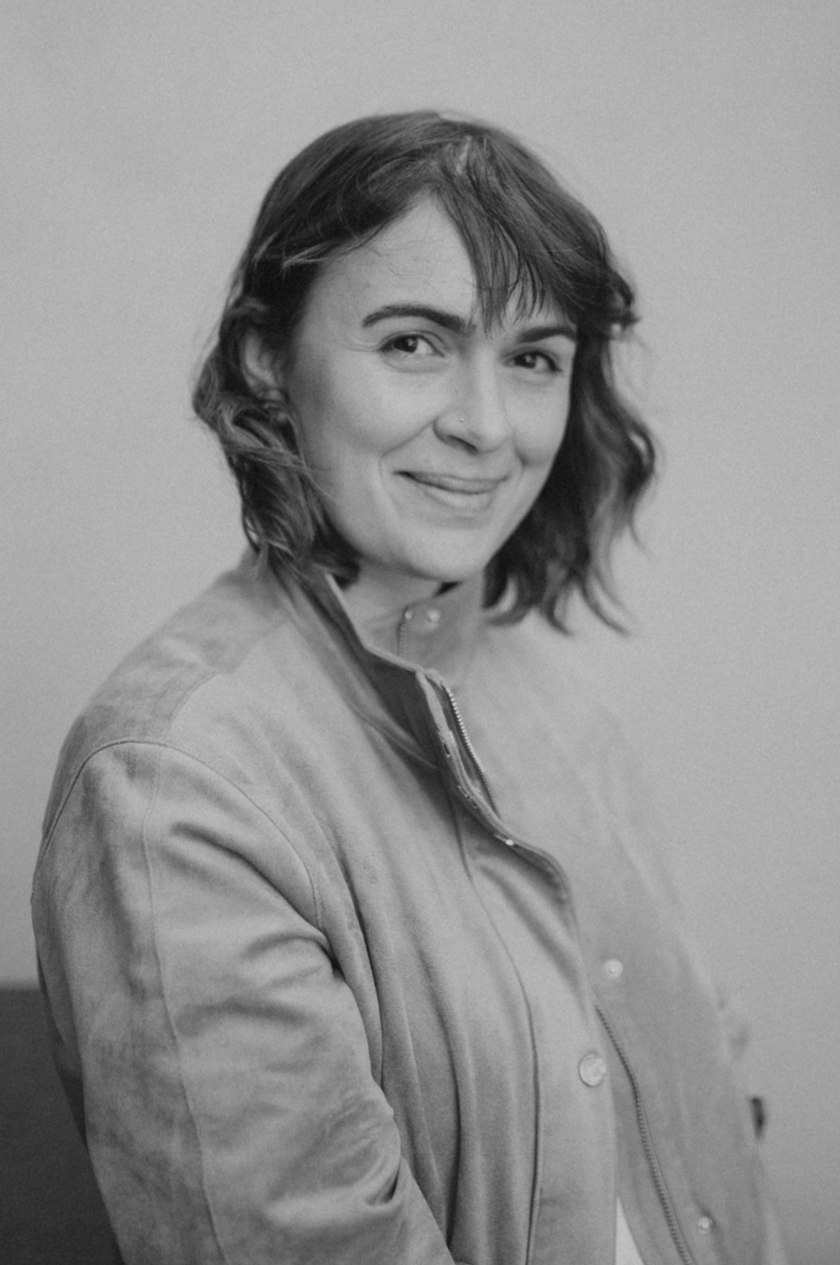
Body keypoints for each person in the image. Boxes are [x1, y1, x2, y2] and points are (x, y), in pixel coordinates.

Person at [32, 111, 787, 1265]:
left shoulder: (564, 707)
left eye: (533, 358)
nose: (487, 426)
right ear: (264, 362)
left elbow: (694, 1129)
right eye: (414, 343)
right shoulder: (174, 784)